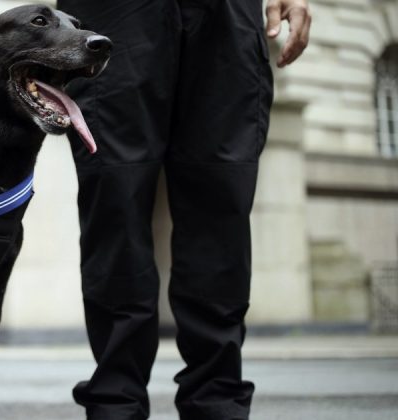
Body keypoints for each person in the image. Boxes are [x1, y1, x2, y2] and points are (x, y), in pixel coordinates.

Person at [56, 0, 311, 419]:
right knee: (115, 203)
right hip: (116, 13)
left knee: (220, 208)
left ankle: (217, 405)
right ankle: (116, 405)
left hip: (226, 13)